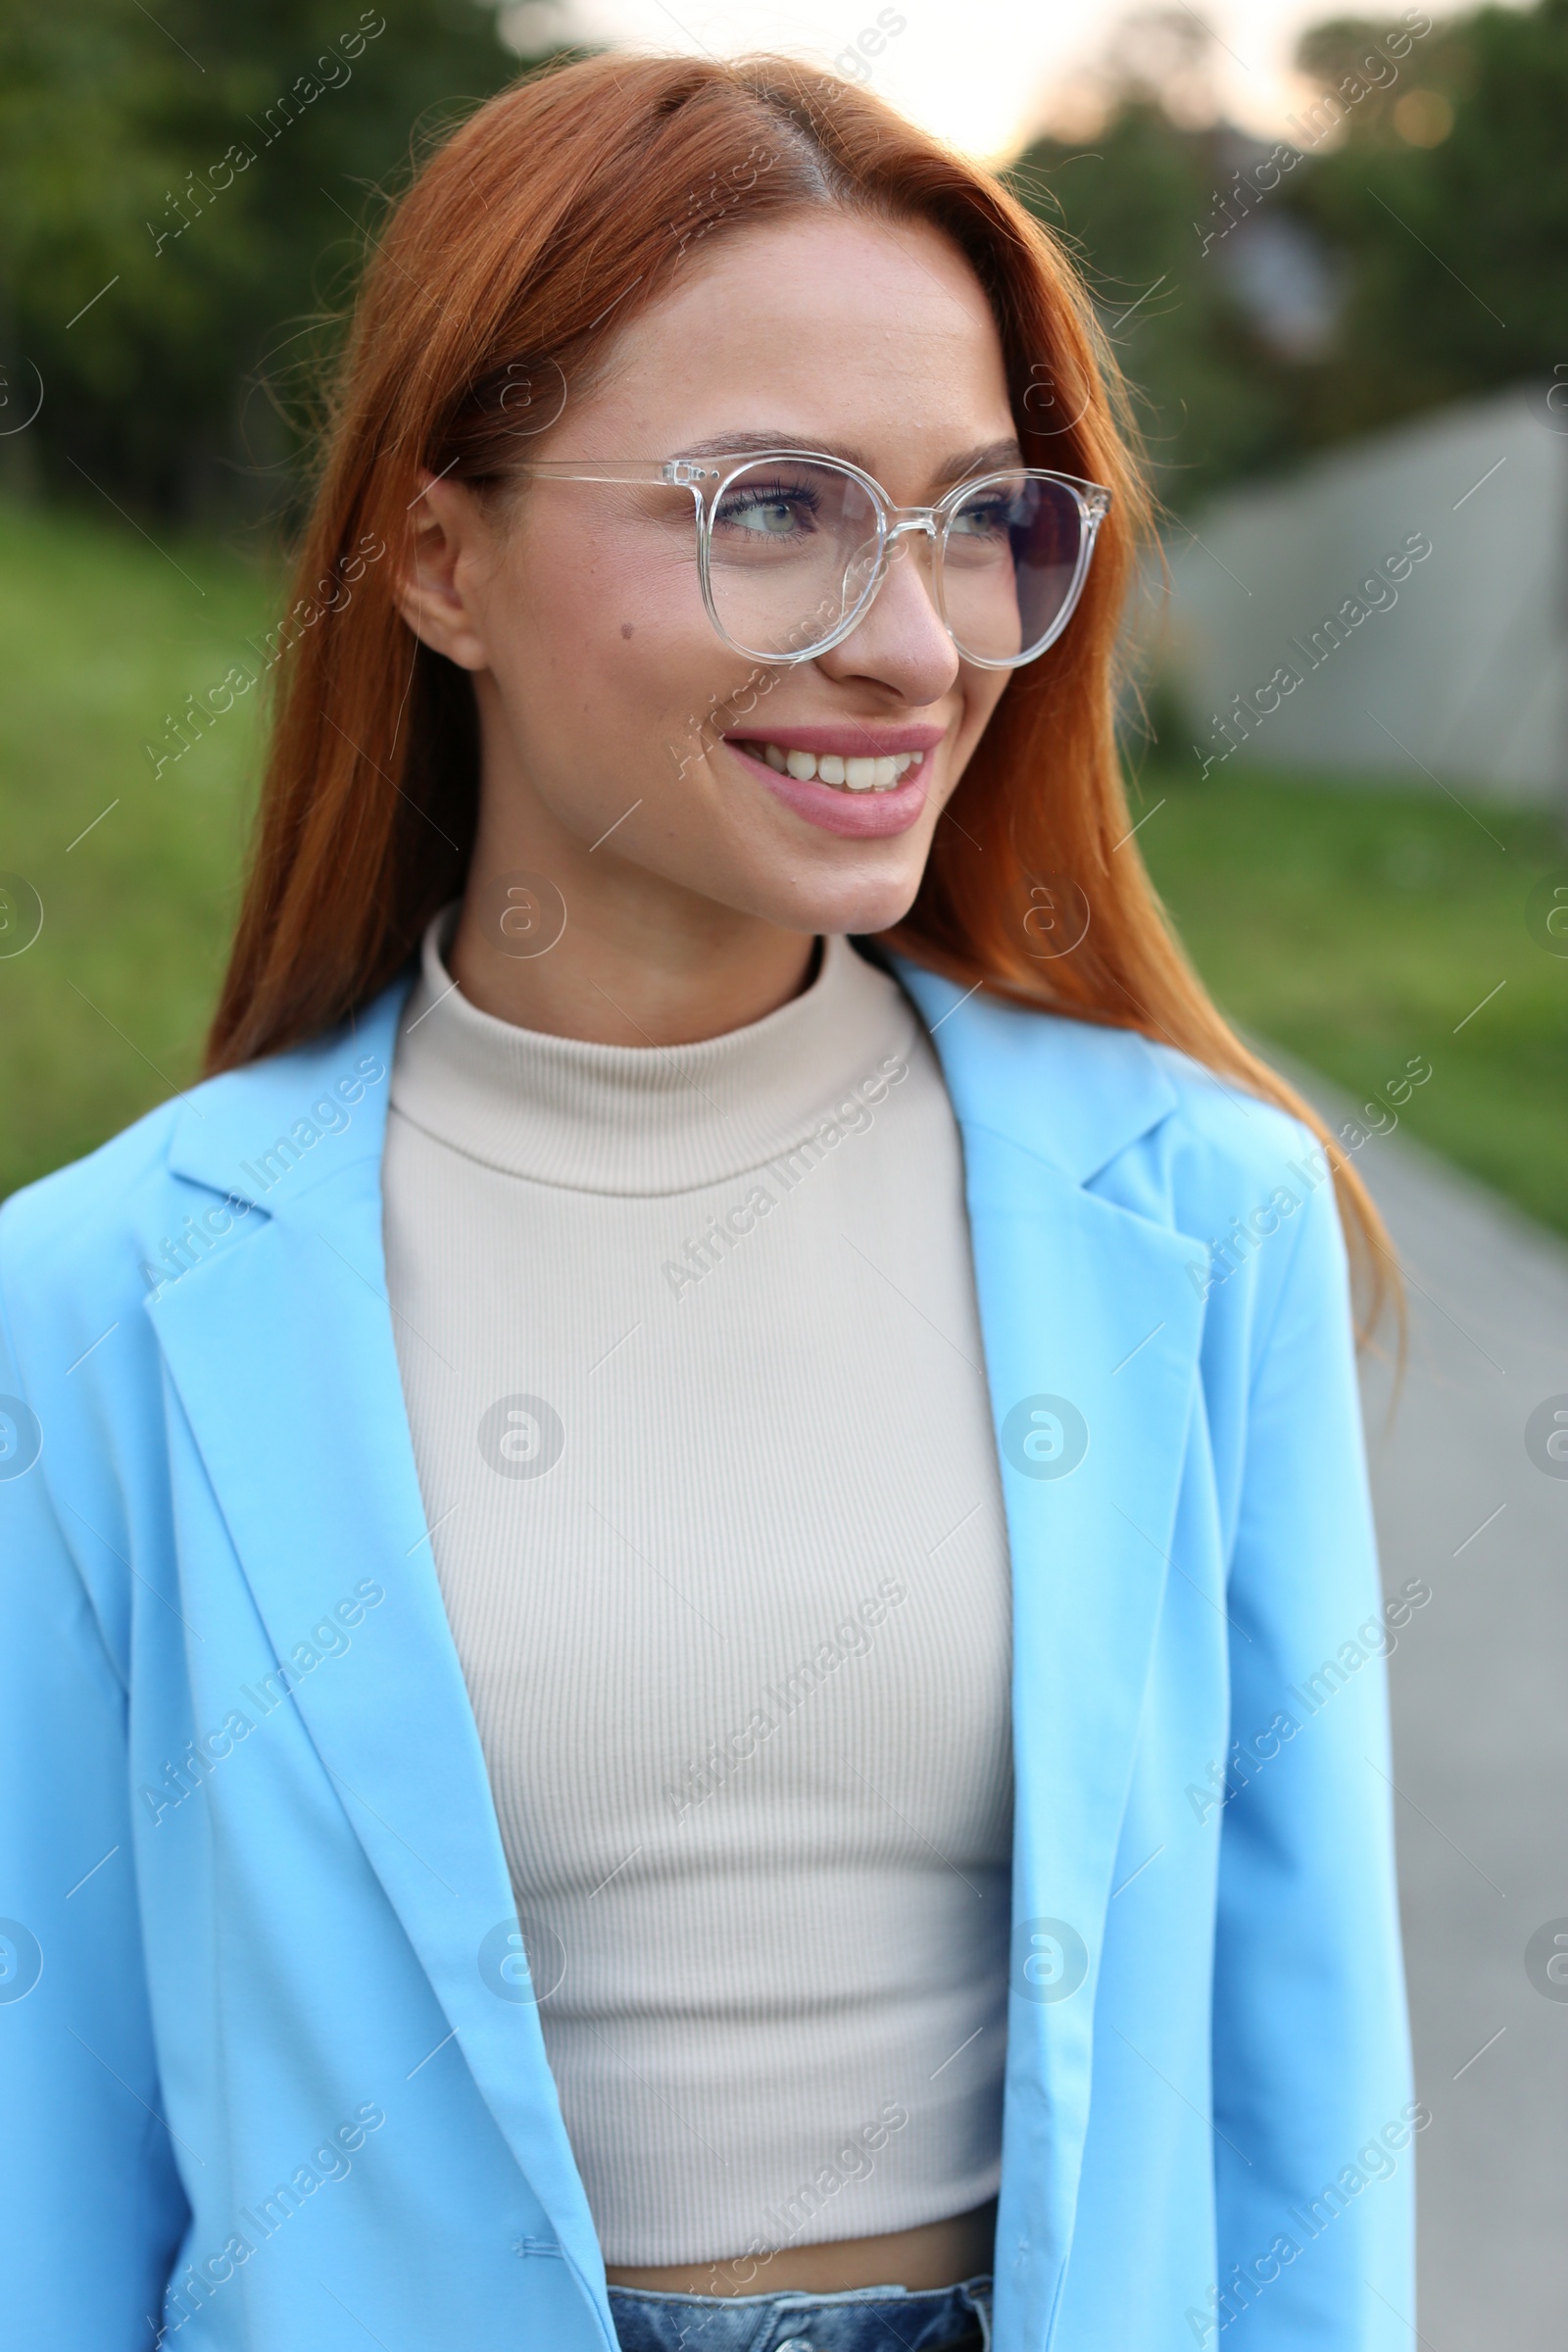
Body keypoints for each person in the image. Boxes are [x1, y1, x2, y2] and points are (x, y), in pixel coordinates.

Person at [0, 52, 1415, 2352]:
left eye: (974, 517)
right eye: (773, 508)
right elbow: (39, 2173)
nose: (916, 639)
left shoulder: (1195, 1227)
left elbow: (1296, 2105)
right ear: (438, 558)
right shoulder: (94, 1301)